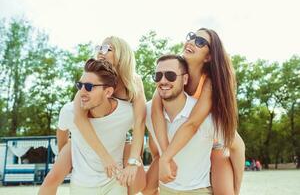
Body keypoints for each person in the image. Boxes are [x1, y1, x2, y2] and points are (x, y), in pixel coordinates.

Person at [39, 36, 148, 195]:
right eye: (99, 48)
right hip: (84, 134)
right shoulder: (89, 82)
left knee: (136, 178)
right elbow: (79, 119)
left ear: (122, 55)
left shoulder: (134, 81)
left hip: (117, 135)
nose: (100, 52)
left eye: (107, 49)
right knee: (52, 177)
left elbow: (140, 121)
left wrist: (132, 161)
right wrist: (103, 157)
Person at [151, 28, 245, 194]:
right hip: (187, 139)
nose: (192, 41)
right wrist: (165, 155)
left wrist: (167, 157)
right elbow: (156, 112)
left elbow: (193, 123)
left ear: (208, 56)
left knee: (228, 190)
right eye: (191, 37)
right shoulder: (172, 72)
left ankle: (237, 187)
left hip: (213, 140)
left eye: (200, 42)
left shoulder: (209, 82)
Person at [147, 54, 226, 194]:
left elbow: (237, 146)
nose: (163, 81)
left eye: (170, 75)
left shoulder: (206, 116)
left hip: (197, 190)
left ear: (185, 79)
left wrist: (235, 188)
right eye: (158, 76)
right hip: (165, 190)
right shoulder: (147, 111)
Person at [55, 58, 133, 194]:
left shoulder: (127, 112)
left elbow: (141, 131)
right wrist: (69, 161)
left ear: (108, 92)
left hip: (115, 182)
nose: (82, 92)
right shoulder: (68, 111)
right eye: (80, 86)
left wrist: (132, 162)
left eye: (89, 87)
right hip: (81, 185)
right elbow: (62, 139)